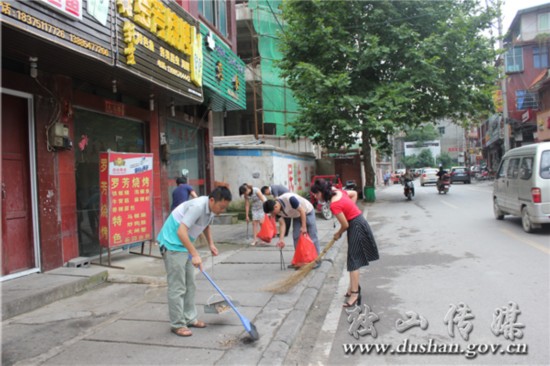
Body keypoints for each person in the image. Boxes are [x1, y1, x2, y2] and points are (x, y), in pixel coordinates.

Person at [156, 186, 232, 337]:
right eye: (221, 206)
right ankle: (177, 324)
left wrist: (211, 244)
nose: (222, 210)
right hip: (172, 244)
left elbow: (206, 225)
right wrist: (195, 253)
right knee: (178, 286)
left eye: (224, 207)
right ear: (212, 200)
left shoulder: (210, 209)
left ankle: (190, 318)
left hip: (183, 244)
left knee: (190, 284)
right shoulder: (197, 206)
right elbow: (181, 231)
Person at [311, 179, 379, 308]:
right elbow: (353, 194)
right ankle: (352, 287)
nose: (315, 197)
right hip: (358, 222)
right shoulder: (338, 191)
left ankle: (355, 293)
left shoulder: (334, 205)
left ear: (321, 192)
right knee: (352, 258)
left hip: (356, 226)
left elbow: (345, 225)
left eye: (316, 194)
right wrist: (350, 210)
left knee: (354, 261)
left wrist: (338, 233)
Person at [263, 192, 321, 268]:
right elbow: (282, 224)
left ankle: (317, 260)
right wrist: (281, 239)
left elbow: (302, 211)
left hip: (307, 211)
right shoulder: (276, 212)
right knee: (296, 236)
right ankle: (300, 260)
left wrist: (304, 227)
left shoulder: (290, 199)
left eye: (272, 212)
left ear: (276, 206)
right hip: (296, 215)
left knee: (312, 235)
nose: (272, 215)